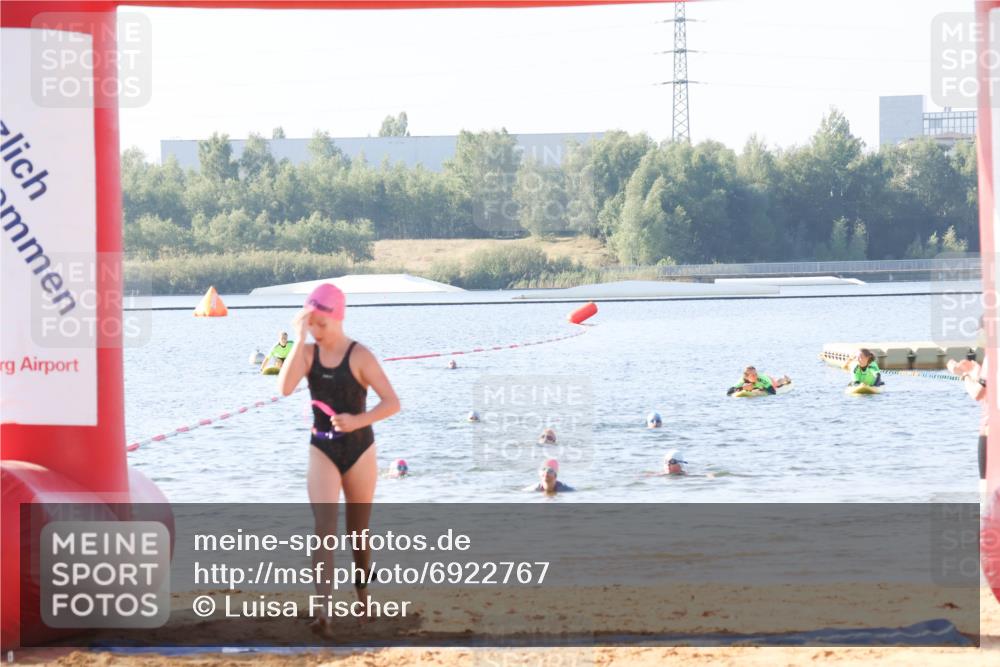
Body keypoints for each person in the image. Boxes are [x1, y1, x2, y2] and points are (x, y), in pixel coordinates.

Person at [277, 283, 400, 637]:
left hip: (360, 448)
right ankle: (323, 613)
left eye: (321, 324)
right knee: (323, 531)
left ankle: (363, 598)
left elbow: (392, 403)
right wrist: (298, 340)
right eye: (310, 324)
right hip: (322, 448)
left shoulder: (360, 355)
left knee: (358, 533)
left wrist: (357, 421)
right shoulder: (308, 354)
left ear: (338, 319)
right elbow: (283, 388)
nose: (317, 330)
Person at [949, 356, 988, 479]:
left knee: (986, 486)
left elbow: (977, 393)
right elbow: (987, 384)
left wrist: (965, 375)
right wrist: (975, 371)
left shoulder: (993, 358)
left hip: (990, 430)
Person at [726, 366, 791, 395]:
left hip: (768, 380)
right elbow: (729, 391)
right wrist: (741, 388)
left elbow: (773, 392)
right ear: (747, 375)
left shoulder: (761, 379)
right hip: (757, 384)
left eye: (755, 374)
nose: (755, 376)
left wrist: (761, 389)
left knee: (777, 384)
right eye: (752, 375)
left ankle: (786, 379)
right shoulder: (743, 379)